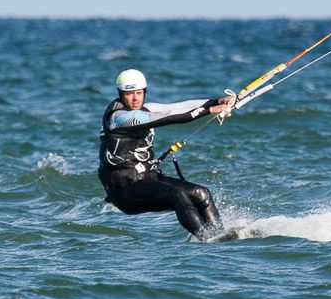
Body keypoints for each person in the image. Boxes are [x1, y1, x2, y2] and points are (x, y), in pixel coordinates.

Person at [98, 68, 235, 240]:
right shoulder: (118, 118)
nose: (135, 98)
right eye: (129, 94)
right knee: (177, 195)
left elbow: (177, 107)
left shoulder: (145, 108)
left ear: (144, 92)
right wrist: (210, 111)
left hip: (147, 179)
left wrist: (217, 100)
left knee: (202, 193)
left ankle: (221, 238)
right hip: (124, 190)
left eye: (139, 93)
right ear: (120, 94)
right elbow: (168, 117)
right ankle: (208, 239)